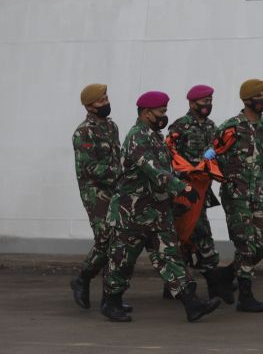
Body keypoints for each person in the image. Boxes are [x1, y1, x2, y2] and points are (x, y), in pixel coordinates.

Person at [102, 91, 220, 322]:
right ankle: (111, 302)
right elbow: (155, 171)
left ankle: (191, 304)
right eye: (161, 112)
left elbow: (168, 166)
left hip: (157, 211)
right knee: (122, 260)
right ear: (147, 113)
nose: (164, 116)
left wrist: (188, 178)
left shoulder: (154, 136)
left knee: (170, 256)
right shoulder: (137, 137)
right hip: (132, 212)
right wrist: (183, 188)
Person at [207, 79, 263, 312]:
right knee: (246, 245)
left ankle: (223, 276)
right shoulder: (230, 127)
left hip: (256, 195)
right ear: (247, 99)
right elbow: (209, 156)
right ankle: (245, 296)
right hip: (234, 195)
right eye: (259, 95)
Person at [165, 84, 235, 303]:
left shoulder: (212, 127)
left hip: (202, 191)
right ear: (192, 103)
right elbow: (169, 156)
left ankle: (174, 286)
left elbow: (217, 153)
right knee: (199, 235)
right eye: (204, 101)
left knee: (187, 237)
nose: (208, 104)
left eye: (210, 100)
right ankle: (215, 282)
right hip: (185, 191)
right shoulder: (180, 126)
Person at [70, 84, 130, 311]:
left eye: (106, 98)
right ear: (89, 106)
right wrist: (121, 174)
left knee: (116, 242)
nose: (105, 103)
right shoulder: (83, 132)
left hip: (115, 189)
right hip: (95, 192)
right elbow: (89, 168)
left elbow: (117, 156)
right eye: (100, 101)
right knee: (106, 239)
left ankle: (110, 298)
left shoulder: (111, 126)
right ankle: (83, 278)